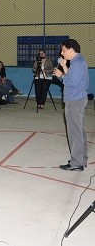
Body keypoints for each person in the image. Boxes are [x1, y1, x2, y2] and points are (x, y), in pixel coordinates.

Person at [54, 39, 89, 171]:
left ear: (70, 49)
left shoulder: (78, 62)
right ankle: (81, 159)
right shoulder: (76, 61)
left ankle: (76, 162)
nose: (62, 53)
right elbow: (71, 78)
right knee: (78, 131)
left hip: (75, 101)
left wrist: (61, 75)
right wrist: (63, 67)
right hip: (76, 99)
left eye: (63, 50)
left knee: (75, 132)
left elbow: (71, 82)